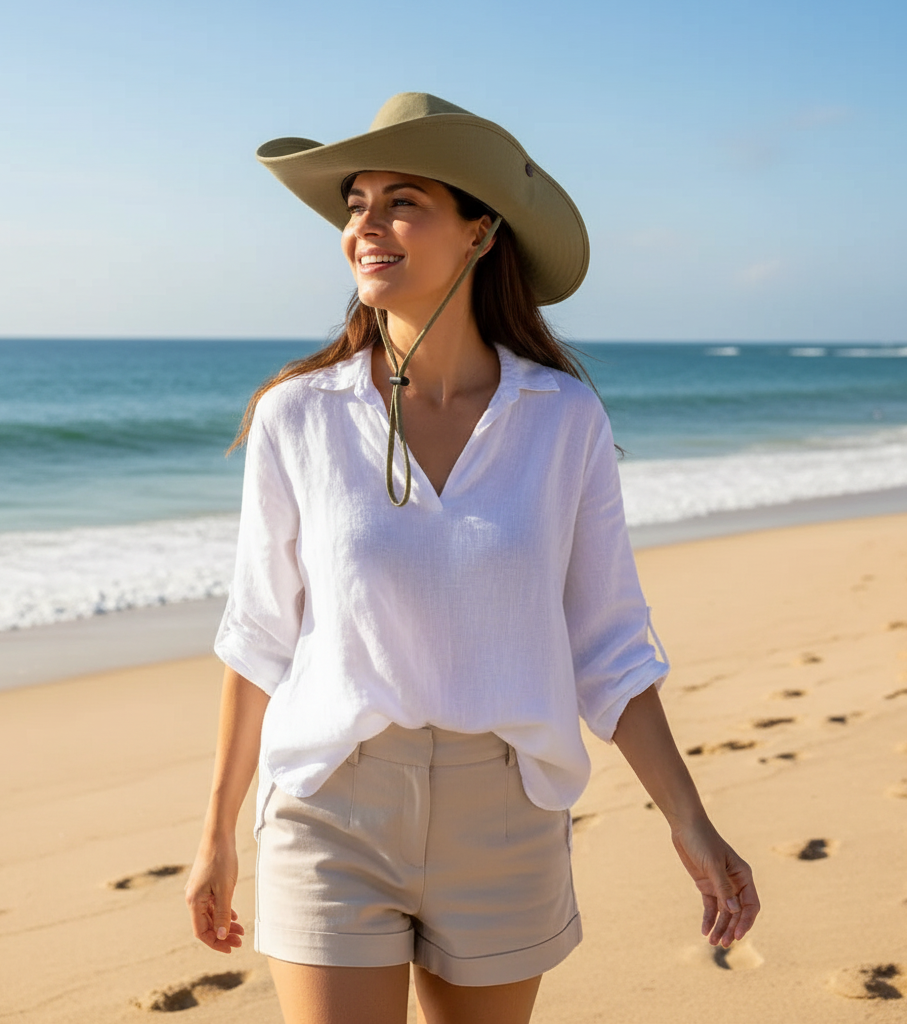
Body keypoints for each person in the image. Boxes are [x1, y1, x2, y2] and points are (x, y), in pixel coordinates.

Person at [185, 93, 760, 1024]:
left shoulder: (563, 420)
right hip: (333, 804)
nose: (365, 225)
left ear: (479, 232)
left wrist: (690, 823)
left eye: (401, 201)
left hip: (506, 813)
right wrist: (215, 833)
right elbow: (258, 633)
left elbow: (609, 647)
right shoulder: (300, 416)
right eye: (356, 202)